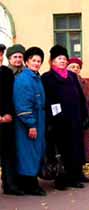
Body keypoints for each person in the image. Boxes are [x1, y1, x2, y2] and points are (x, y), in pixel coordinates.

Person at [42, 45, 87, 190]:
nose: (62, 61)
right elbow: (48, 100)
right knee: (60, 151)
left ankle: (74, 177)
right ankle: (61, 179)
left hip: (74, 119)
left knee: (75, 149)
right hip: (58, 121)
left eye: (64, 58)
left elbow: (80, 97)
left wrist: (84, 115)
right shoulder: (47, 78)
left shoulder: (72, 76)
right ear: (52, 61)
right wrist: (54, 118)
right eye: (59, 58)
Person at [13, 47, 46, 196]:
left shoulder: (35, 77)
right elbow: (22, 104)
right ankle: (30, 185)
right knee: (29, 153)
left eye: (39, 61)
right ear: (27, 62)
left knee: (34, 151)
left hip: (38, 120)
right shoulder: (24, 79)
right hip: (28, 124)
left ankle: (29, 182)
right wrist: (31, 124)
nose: (37, 63)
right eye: (34, 60)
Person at [67, 57, 89, 182]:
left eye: (77, 67)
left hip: (83, 119)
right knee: (72, 147)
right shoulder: (65, 82)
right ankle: (71, 172)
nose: (75, 69)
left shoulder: (84, 83)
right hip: (70, 120)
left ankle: (80, 172)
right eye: (72, 67)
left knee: (83, 147)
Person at [0, 44, 24, 195]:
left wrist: (9, 114)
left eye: (1, 54)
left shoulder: (7, 73)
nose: (0, 57)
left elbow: (11, 97)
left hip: (7, 120)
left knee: (8, 154)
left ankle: (10, 185)